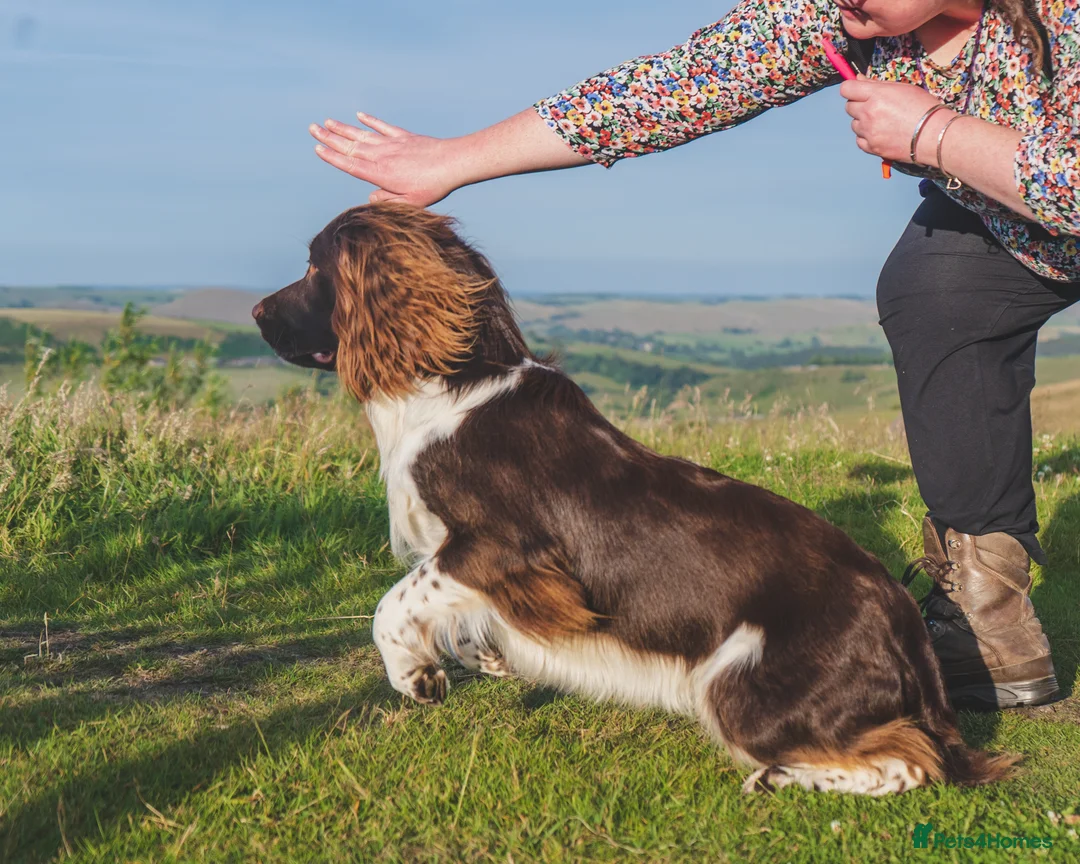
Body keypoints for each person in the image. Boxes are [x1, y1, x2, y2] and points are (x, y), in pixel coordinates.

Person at [307, 0, 1075, 710]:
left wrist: (935, 134)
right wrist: (454, 161)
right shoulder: (845, 18)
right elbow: (676, 86)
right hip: (1016, 233)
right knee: (934, 289)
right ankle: (990, 619)